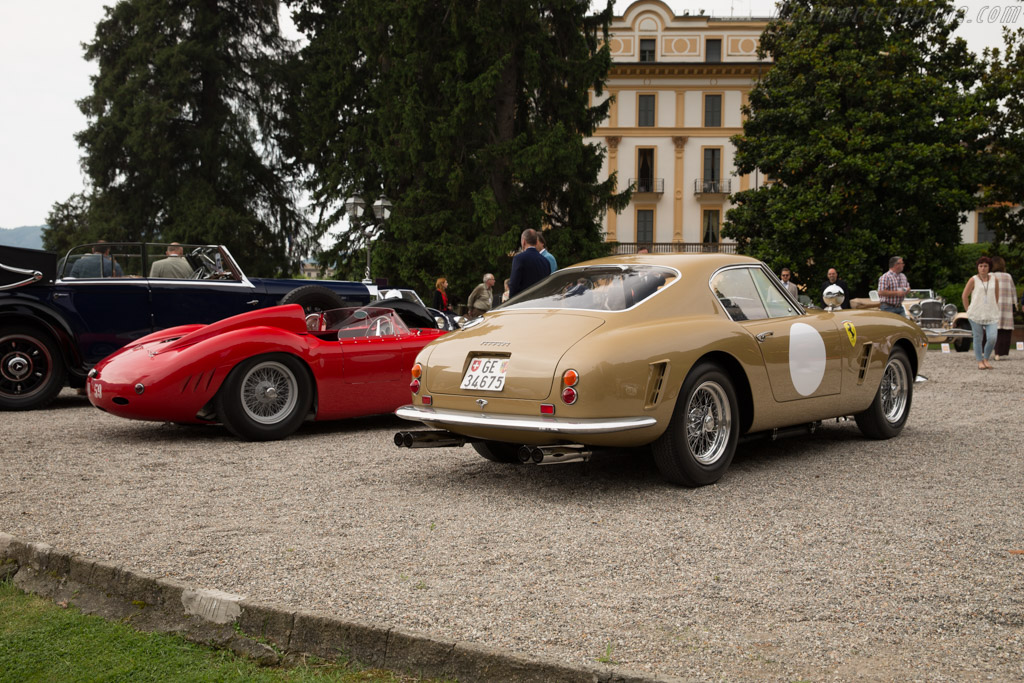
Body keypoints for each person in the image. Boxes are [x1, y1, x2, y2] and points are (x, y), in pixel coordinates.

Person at [962, 256, 1000, 370]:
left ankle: (986, 359)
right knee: (978, 338)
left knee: (992, 337)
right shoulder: (973, 279)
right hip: (976, 314)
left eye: (985, 266)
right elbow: (964, 296)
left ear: (989, 267)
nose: (983, 268)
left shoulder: (995, 279)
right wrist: (968, 310)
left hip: (991, 314)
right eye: (981, 266)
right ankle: (979, 360)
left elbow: (996, 296)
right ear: (978, 267)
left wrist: (993, 306)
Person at [508, 228, 550, 298]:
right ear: (537, 242)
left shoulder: (519, 259)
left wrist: (510, 302)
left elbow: (514, 285)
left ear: (523, 242)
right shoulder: (545, 261)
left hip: (524, 303)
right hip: (541, 302)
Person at [990, 256, 1018, 360]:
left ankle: (986, 351)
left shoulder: (989, 276)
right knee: (1004, 331)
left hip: (992, 306)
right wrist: (1015, 304)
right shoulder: (1008, 276)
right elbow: (1013, 291)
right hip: (1006, 306)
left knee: (990, 329)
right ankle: (999, 353)